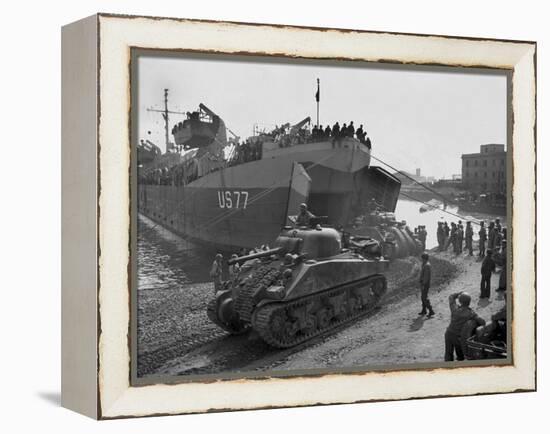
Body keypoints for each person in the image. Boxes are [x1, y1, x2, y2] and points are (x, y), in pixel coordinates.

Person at [444, 292, 486, 361]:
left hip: (449, 334)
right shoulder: (471, 313)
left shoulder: (454, 309)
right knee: (460, 356)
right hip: (459, 337)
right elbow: (482, 322)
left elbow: (451, 296)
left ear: (460, 301)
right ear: (469, 302)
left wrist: (459, 293)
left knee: (448, 355)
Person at [418, 253, 435, 317]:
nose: (421, 259)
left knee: (424, 297)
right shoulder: (425, 264)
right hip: (424, 283)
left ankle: (431, 310)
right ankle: (424, 310)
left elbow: (426, 277)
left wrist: (423, 284)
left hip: (425, 284)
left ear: (424, 258)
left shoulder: (427, 265)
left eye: (422, 258)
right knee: (423, 297)